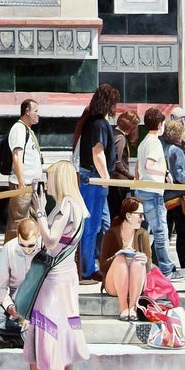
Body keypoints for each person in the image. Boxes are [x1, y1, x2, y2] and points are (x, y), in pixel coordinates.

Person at [11, 159, 89, 370]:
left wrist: (41, 212)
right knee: (65, 338)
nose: (47, 182)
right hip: (67, 279)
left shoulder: (65, 205)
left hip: (53, 281)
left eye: (50, 176)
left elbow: (51, 239)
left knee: (41, 339)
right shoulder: (78, 206)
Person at [71, 82, 119, 277]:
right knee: (92, 226)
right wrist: (106, 178)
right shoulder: (99, 123)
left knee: (102, 223)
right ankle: (87, 268)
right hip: (94, 178)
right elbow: (97, 152)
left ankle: (96, 262)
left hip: (91, 177)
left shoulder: (91, 121)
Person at [133, 107, 176, 276]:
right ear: (159, 124)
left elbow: (138, 169)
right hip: (153, 192)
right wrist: (165, 173)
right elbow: (148, 165)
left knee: (141, 231)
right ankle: (165, 267)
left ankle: (142, 265)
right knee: (160, 232)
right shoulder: (155, 143)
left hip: (142, 190)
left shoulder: (143, 142)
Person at [98, 196, 153, 320]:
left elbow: (149, 267)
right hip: (114, 284)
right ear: (128, 216)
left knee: (138, 262)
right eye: (139, 215)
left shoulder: (142, 234)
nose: (143, 219)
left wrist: (145, 260)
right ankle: (124, 307)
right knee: (120, 259)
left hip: (136, 283)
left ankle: (132, 308)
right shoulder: (111, 234)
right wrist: (117, 256)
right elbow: (102, 267)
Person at [0, 217, 39, 346]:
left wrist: (31, 314)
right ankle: (28, 336)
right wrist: (10, 307)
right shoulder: (9, 248)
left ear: (38, 236)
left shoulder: (46, 249)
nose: (26, 249)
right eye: (22, 245)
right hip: (16, 302)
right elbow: (1, 288)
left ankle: (14, 341)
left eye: (30, 245)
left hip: (39, 305)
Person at [4, 99, 45, 236]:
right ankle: (12, 248)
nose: (38, 114)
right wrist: (21, 182)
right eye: (36, 111)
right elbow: (17, 155)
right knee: (17, 223)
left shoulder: (27, 130)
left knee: (31, 223)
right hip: (23, 184)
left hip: (32, 184)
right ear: (27, 111)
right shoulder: (19, 129)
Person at [162, 117, 185, 270]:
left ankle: (159, 260)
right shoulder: (176, 151)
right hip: (179, 196)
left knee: (166, 231)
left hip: (167, 196)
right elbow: (180, 173)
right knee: (182, 232)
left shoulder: (163, 147)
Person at [109, 109, 140, 225]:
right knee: (118, 212)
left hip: (114, 181)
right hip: (119, 182)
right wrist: (130, 175)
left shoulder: (114, 134)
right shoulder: (120, 138)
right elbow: (117, 162)